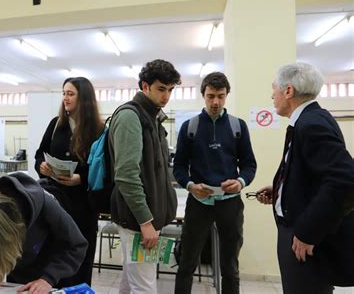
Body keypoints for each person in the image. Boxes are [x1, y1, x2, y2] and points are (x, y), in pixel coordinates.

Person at [256, 63, 354, 293]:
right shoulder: (310, 119)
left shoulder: (311, 124)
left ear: (288, 91)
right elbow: (316, 175)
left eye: (274, 88)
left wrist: (307, 233)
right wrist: (283, 189)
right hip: (300, 228)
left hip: (305, 238)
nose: (272, 95)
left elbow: (344, 181)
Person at [173, 72, 257, 294]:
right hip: (198, 204)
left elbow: (249, 165)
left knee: (230, 267)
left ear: (227, 95)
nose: (215, 102)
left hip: (230, 205)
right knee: (186, 264)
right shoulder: (189, 127)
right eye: (210, 96)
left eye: (220, 96)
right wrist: (190, 185)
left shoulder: (238, 126)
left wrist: (240, 182)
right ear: (203, 95)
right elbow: (179, 167)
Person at [108, 59, 180, 293]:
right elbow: (127, 175)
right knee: (145, 287)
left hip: (146, 217)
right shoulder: (131, 117)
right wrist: (146, 222)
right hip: (137, 220)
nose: (166, 96)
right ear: (145, 86)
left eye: (170, 90)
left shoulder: (153, 117)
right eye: (161, 89)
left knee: (132, 282)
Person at [0, 172, 88, 294]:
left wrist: (47, 279)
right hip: (18, 278)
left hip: (53, 276)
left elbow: (76, 245)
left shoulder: (47, 207)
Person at [34, 77, 104, 287]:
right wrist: (42, 167)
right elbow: (40, 154)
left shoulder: (99, 130)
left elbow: (102, 168)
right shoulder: (55, 125)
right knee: (56, 257)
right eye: (64, 93)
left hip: (83, 205)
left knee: (80, 259)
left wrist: (80, 179)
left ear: (84, 98)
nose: (65, 98)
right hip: (55, 203)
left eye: (70, 94)